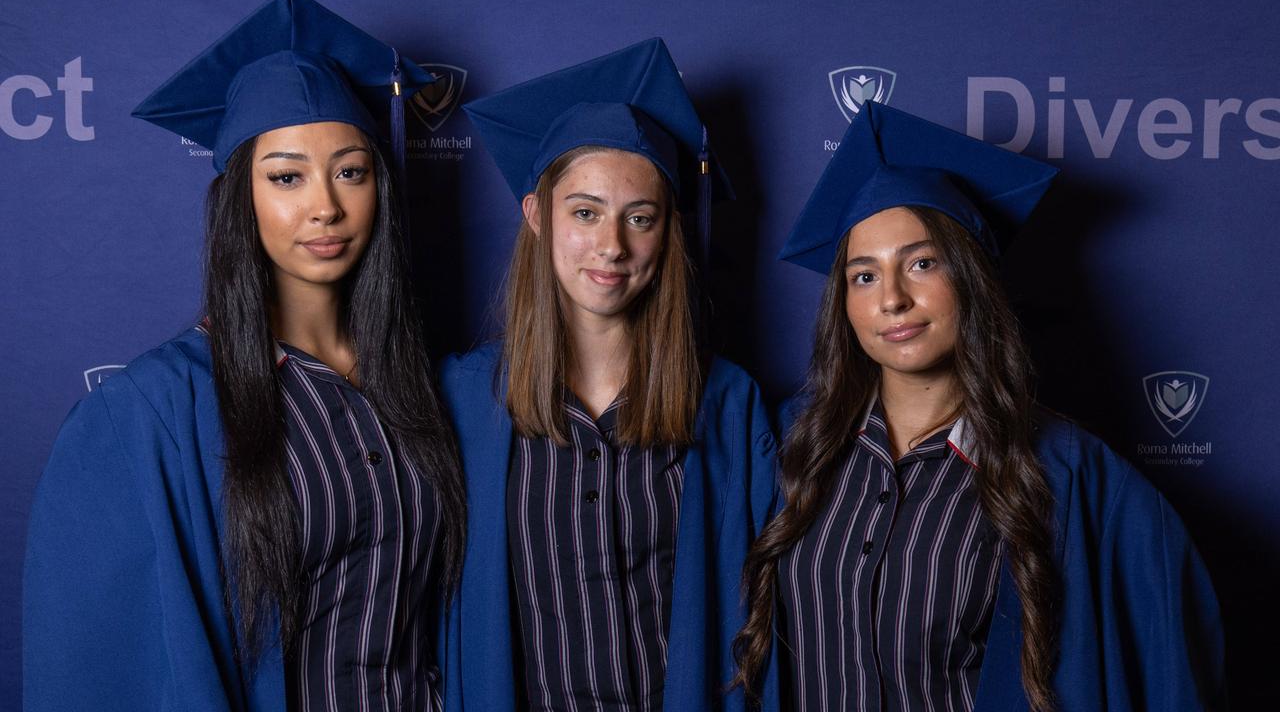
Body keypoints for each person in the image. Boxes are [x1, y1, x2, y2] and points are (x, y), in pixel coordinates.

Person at [23, 0, 463, 710]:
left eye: (351, 171)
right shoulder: (155, 413)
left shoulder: (423, 390)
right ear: (239, 198)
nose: (325, 204)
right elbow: (102, 667)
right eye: (286, 176)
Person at [731, 101, 1225, 711]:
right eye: (863, 275)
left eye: (922, 262)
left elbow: (1168, 671)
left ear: (971, 278)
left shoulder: (1072, 479)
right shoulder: (785, 450)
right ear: (844, 305)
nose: (893, 298)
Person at [440, 39, 779, 712]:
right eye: (585, 212)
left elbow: (765, 615)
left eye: (641, 218)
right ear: (538, 218)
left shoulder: (728, 404)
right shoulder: (464, 399)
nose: (612, 246)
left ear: (669, 233)